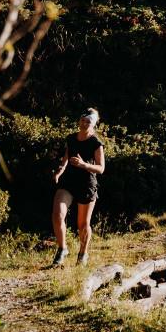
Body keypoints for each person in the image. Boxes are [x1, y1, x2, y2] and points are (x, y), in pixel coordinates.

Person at [50, 109, 106, 267]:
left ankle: (83, 253)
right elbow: (67, 156)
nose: (84, 123)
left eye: (88, 121)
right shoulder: (71, 138)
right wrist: (60, 171)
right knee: (57, 214)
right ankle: (62, 249)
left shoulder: (96, 143)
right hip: (68, 182)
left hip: (87, 183)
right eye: (83, 120)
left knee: (83, 224)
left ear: (93, 124)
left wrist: (84, 165)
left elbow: (101, 168)